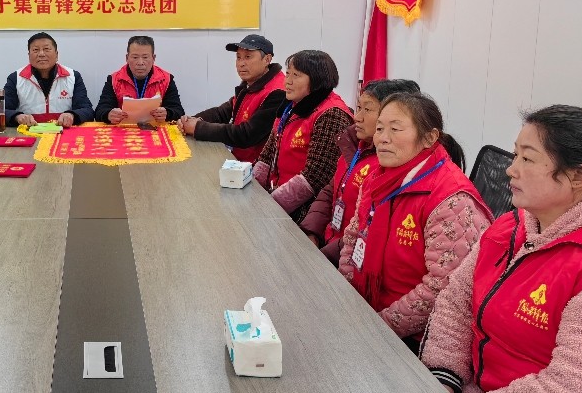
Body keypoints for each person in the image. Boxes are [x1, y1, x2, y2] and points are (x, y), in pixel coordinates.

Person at [420, 105, 582, 393]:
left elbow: (566, 385)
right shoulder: (508, 228)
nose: (511, 169)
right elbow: (456, 302)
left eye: (527, 158)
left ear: (577, 176)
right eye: (515, 155)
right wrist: (444, 379)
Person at [338, 92, 493, 351]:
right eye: (380, 128)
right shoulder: (377, 177)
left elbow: (440, 289)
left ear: (429, 138)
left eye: (395, 129)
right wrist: (346, 293)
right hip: (365, 312)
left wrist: (375, 327)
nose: (382, 138)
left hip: (412, 339)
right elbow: (353, 236)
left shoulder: (452, 200)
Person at [299, 79, 421, 264]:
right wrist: (311, 232)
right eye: (358, 107)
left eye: (368, 109)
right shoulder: (354, 145)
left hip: (347, 258)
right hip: (327, 244)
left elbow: (366, 229)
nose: (357, 117)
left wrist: (323, 256)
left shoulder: (391, 162)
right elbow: (330, 191)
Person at [253, 50, 353, 224]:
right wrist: (251, 191)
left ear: (316, 80)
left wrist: (269, 206)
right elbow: (267, 156)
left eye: (296, 75)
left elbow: (316, 176)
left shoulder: (332, 114)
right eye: (288, 74)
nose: (288, 81)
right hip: (276, 198)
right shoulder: (290, 106)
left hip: (304, 211)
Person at [178, 34, 285, 162]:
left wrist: (198, 128)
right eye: (238, 57)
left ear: (267, 59)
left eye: (248, 57)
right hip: (238, 162)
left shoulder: (277, 92)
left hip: (258, 168)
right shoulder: (252, 82)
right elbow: (222, 112)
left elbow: (246, 135)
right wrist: (191, 120)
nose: (241, 64)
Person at [4, 32, 94, 127]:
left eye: (46, 49)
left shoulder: (72, 76)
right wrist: (17, 117)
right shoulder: (16, 78)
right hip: (28, 132)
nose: (41, 54)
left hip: (63, 132)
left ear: (56, 55)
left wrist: (72, 115)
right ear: (29, 55)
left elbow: (88, 111)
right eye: (35, 50)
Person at [94, 35, 185, 124]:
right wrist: (108, 114)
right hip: (123, 130)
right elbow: (99, 111)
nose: (140, 63)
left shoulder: (166, 79)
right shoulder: (114, 80)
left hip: (155, 130)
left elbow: (179, 111)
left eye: (145, 57)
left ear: (153, 58)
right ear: (127, 58)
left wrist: (168, 113)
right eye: (135, 57)